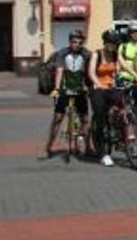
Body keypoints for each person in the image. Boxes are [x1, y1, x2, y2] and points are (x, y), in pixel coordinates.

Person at [42, 30, 92, 158]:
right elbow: (59, 71)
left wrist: (88, 86)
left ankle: (88, 147)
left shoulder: (86, 54)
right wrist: (57, 89)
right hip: (65, 88)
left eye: (80, 42)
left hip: (80, 89)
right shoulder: (62, 53)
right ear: (70, 42)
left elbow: (89, 71)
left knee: (85, 119)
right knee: (58, 118)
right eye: (74, 42)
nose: (77, 45)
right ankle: (49, 146)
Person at [88, 30, 122, 166]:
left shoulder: (114, 55)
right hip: (98, 89)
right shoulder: (96, 54)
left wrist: (119, 80)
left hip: (110, 87)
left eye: (114, 43)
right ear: (105, 42)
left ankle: (118, 129)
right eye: (109, 42)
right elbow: (91, 72)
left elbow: (119, 69)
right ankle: (103, 153)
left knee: (123, 104)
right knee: (100, 117)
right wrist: (98, 84)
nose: (111, 45)